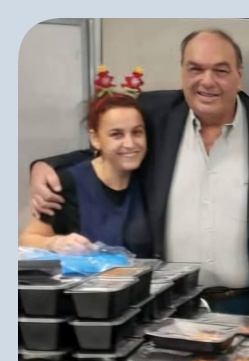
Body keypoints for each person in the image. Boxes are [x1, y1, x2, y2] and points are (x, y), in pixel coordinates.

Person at [28, 29, 249, 316]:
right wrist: (46, 165)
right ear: (182, 73)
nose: (207, 81)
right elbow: (112, 148)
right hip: (169, 304)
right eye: (195, 69)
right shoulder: (155, 114)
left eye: (220, 71)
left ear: (239, 75)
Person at [20, 73, 151, 257]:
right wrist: (55, 243)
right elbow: (28, 238)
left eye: (137, 132)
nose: (130, 144)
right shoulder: (67, 183)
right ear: (95, 138)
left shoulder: (151, 176)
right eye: (116, 134)